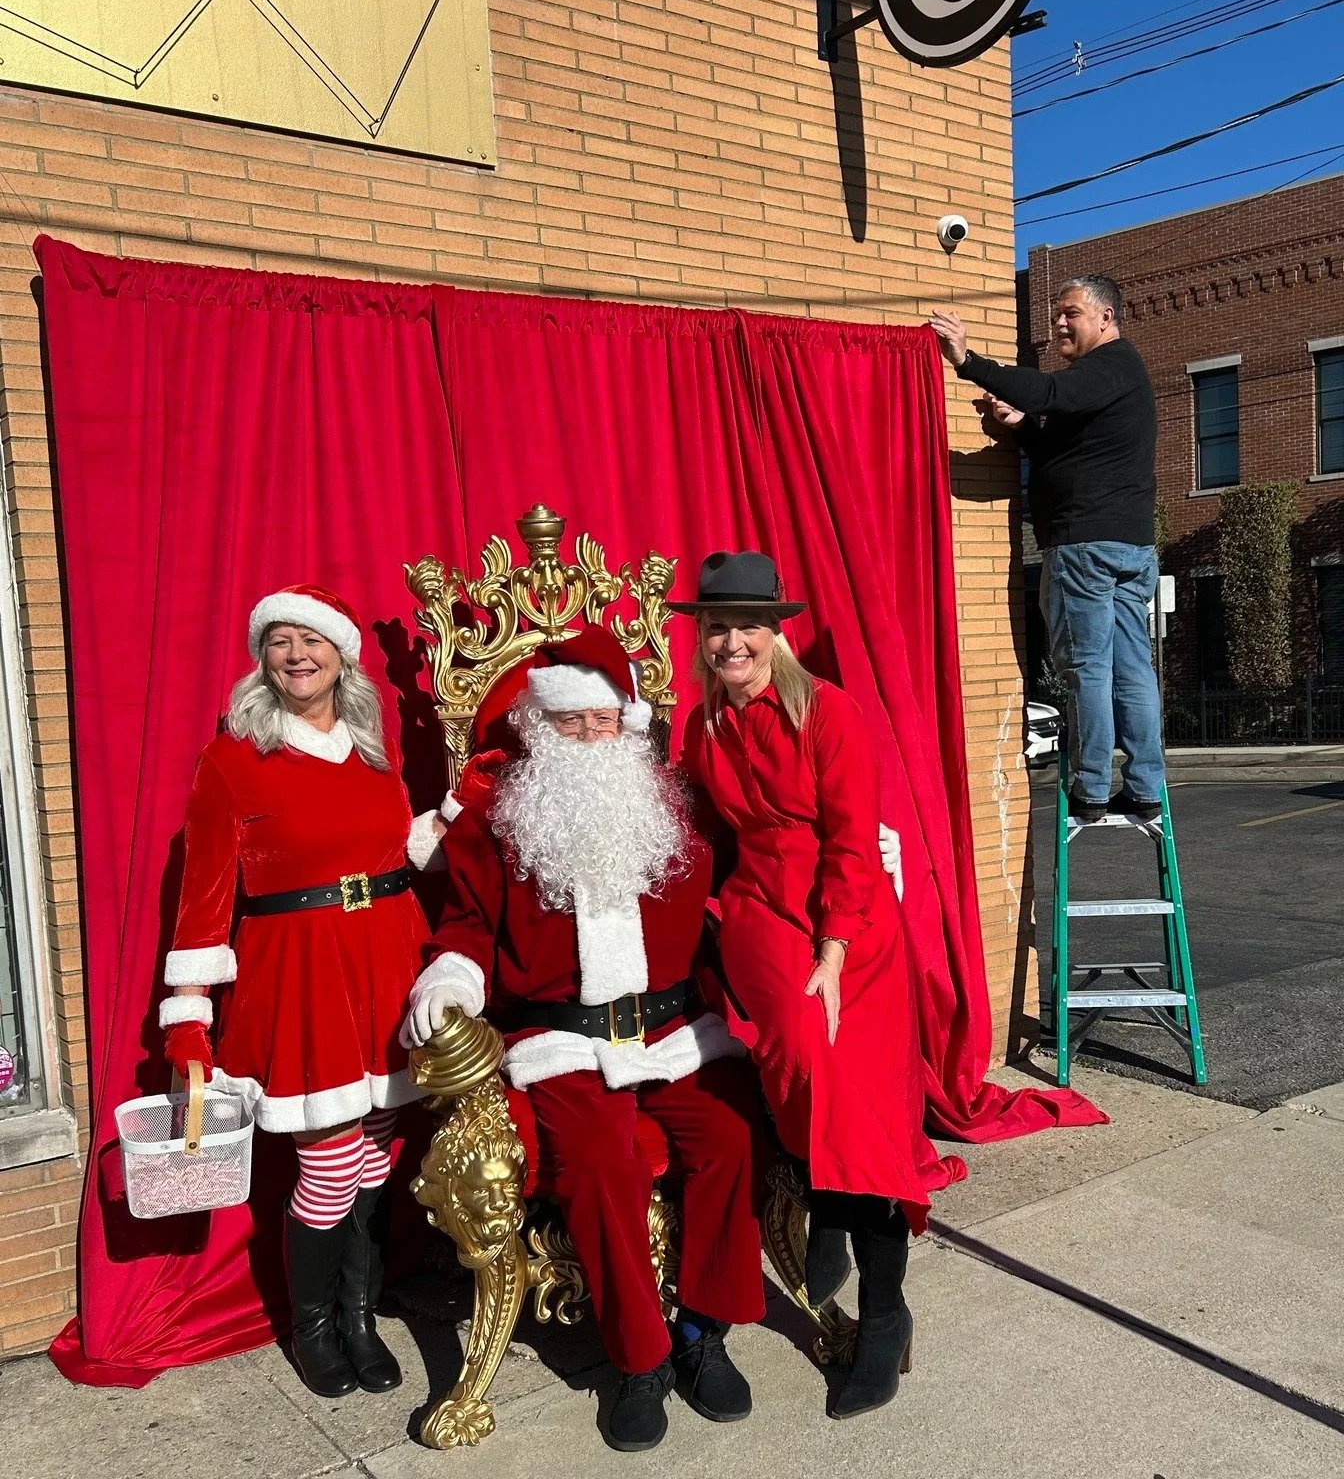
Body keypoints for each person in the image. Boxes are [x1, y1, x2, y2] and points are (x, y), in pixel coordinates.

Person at [403, 624, 768, 1455]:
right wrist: (450, 980)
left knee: (732, 1135)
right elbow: (464, 925)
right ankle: (639, 1360)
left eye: (605, 722)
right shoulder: (500, 821)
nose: (592, 738)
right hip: (559, 1044)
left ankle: (701, 1333)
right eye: (573, 724)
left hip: (673, 1033)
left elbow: (763, 854)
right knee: (602, 1161)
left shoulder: (675, 806)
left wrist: (843, 863)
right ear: (541, 726)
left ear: (629, 724)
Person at [158, 584, 450, 1399]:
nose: (297, 654)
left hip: (386, 961)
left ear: (341, 655)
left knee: (373, 1156)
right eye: (280, 641)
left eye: (311, 640)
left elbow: (400, 848)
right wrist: (189, 1024)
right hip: (300, 974)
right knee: (325, 1168)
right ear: (263, 658)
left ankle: (360, 1317)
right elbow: (204, 898)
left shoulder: (370, 746)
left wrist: (459, 813)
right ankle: (312, 1326)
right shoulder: (232, 759)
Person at [675, 551, 940, 1421]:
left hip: (847, 926)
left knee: (862, 1123)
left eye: (748, 626)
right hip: (760, 918)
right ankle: (822, 1199)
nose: (732, 641)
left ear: (776, 631)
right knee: (800, 1076)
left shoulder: (829, 712)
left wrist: (832, 950)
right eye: (718, 628)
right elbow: (708, 836)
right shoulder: (701, 726)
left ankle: (886, 1312)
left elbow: (852, 842)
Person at [930, 279, 1165, 823]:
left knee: (1088, 668)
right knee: (1130, 667)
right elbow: (1062, 436)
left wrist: (968, 360)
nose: (1059, 323)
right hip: (1129, 546)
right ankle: (1147, 788)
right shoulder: (1115, 380)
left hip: (1085, 546)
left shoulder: (1107, 366)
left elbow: (1050, 395)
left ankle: (1090, 789)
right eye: (1057, 314)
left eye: (1070, 314)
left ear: (1105, 318)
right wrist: (1019, 426)